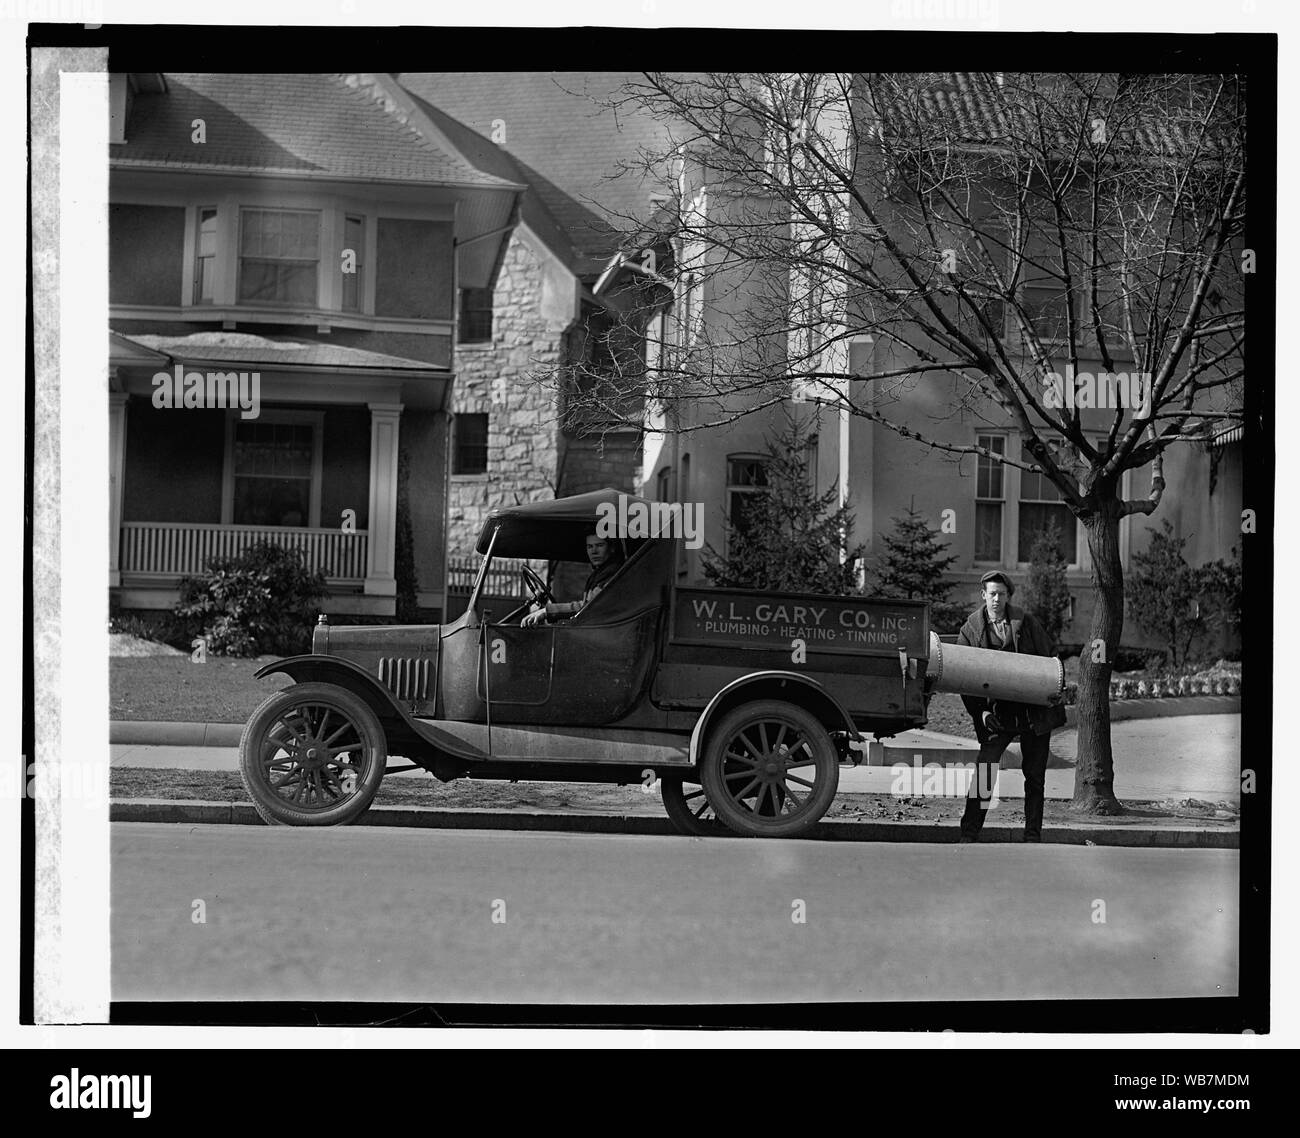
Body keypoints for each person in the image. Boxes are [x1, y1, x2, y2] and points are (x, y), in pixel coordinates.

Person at [956, 570, 1067, 844]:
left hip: (1032, 712)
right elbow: (962, 676)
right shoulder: (970, 630)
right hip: (996, 715)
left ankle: (1032, 836)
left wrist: (1053, 688)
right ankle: (969, 833)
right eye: (992, 594)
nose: (996, 599)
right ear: (983, 595)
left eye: (1001, 594)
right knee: (985, 772)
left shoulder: (1027, 623)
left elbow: (1051, 658)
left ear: (1008, 596)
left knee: (1035, 778)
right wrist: (981, 712)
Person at [522, 531, 625, 627]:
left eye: (599, 545)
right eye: (589, 546)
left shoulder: (613, 574)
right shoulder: (600, 572)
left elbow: (589, 606)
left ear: (612, 548)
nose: (594, 551)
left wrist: (547, 611)